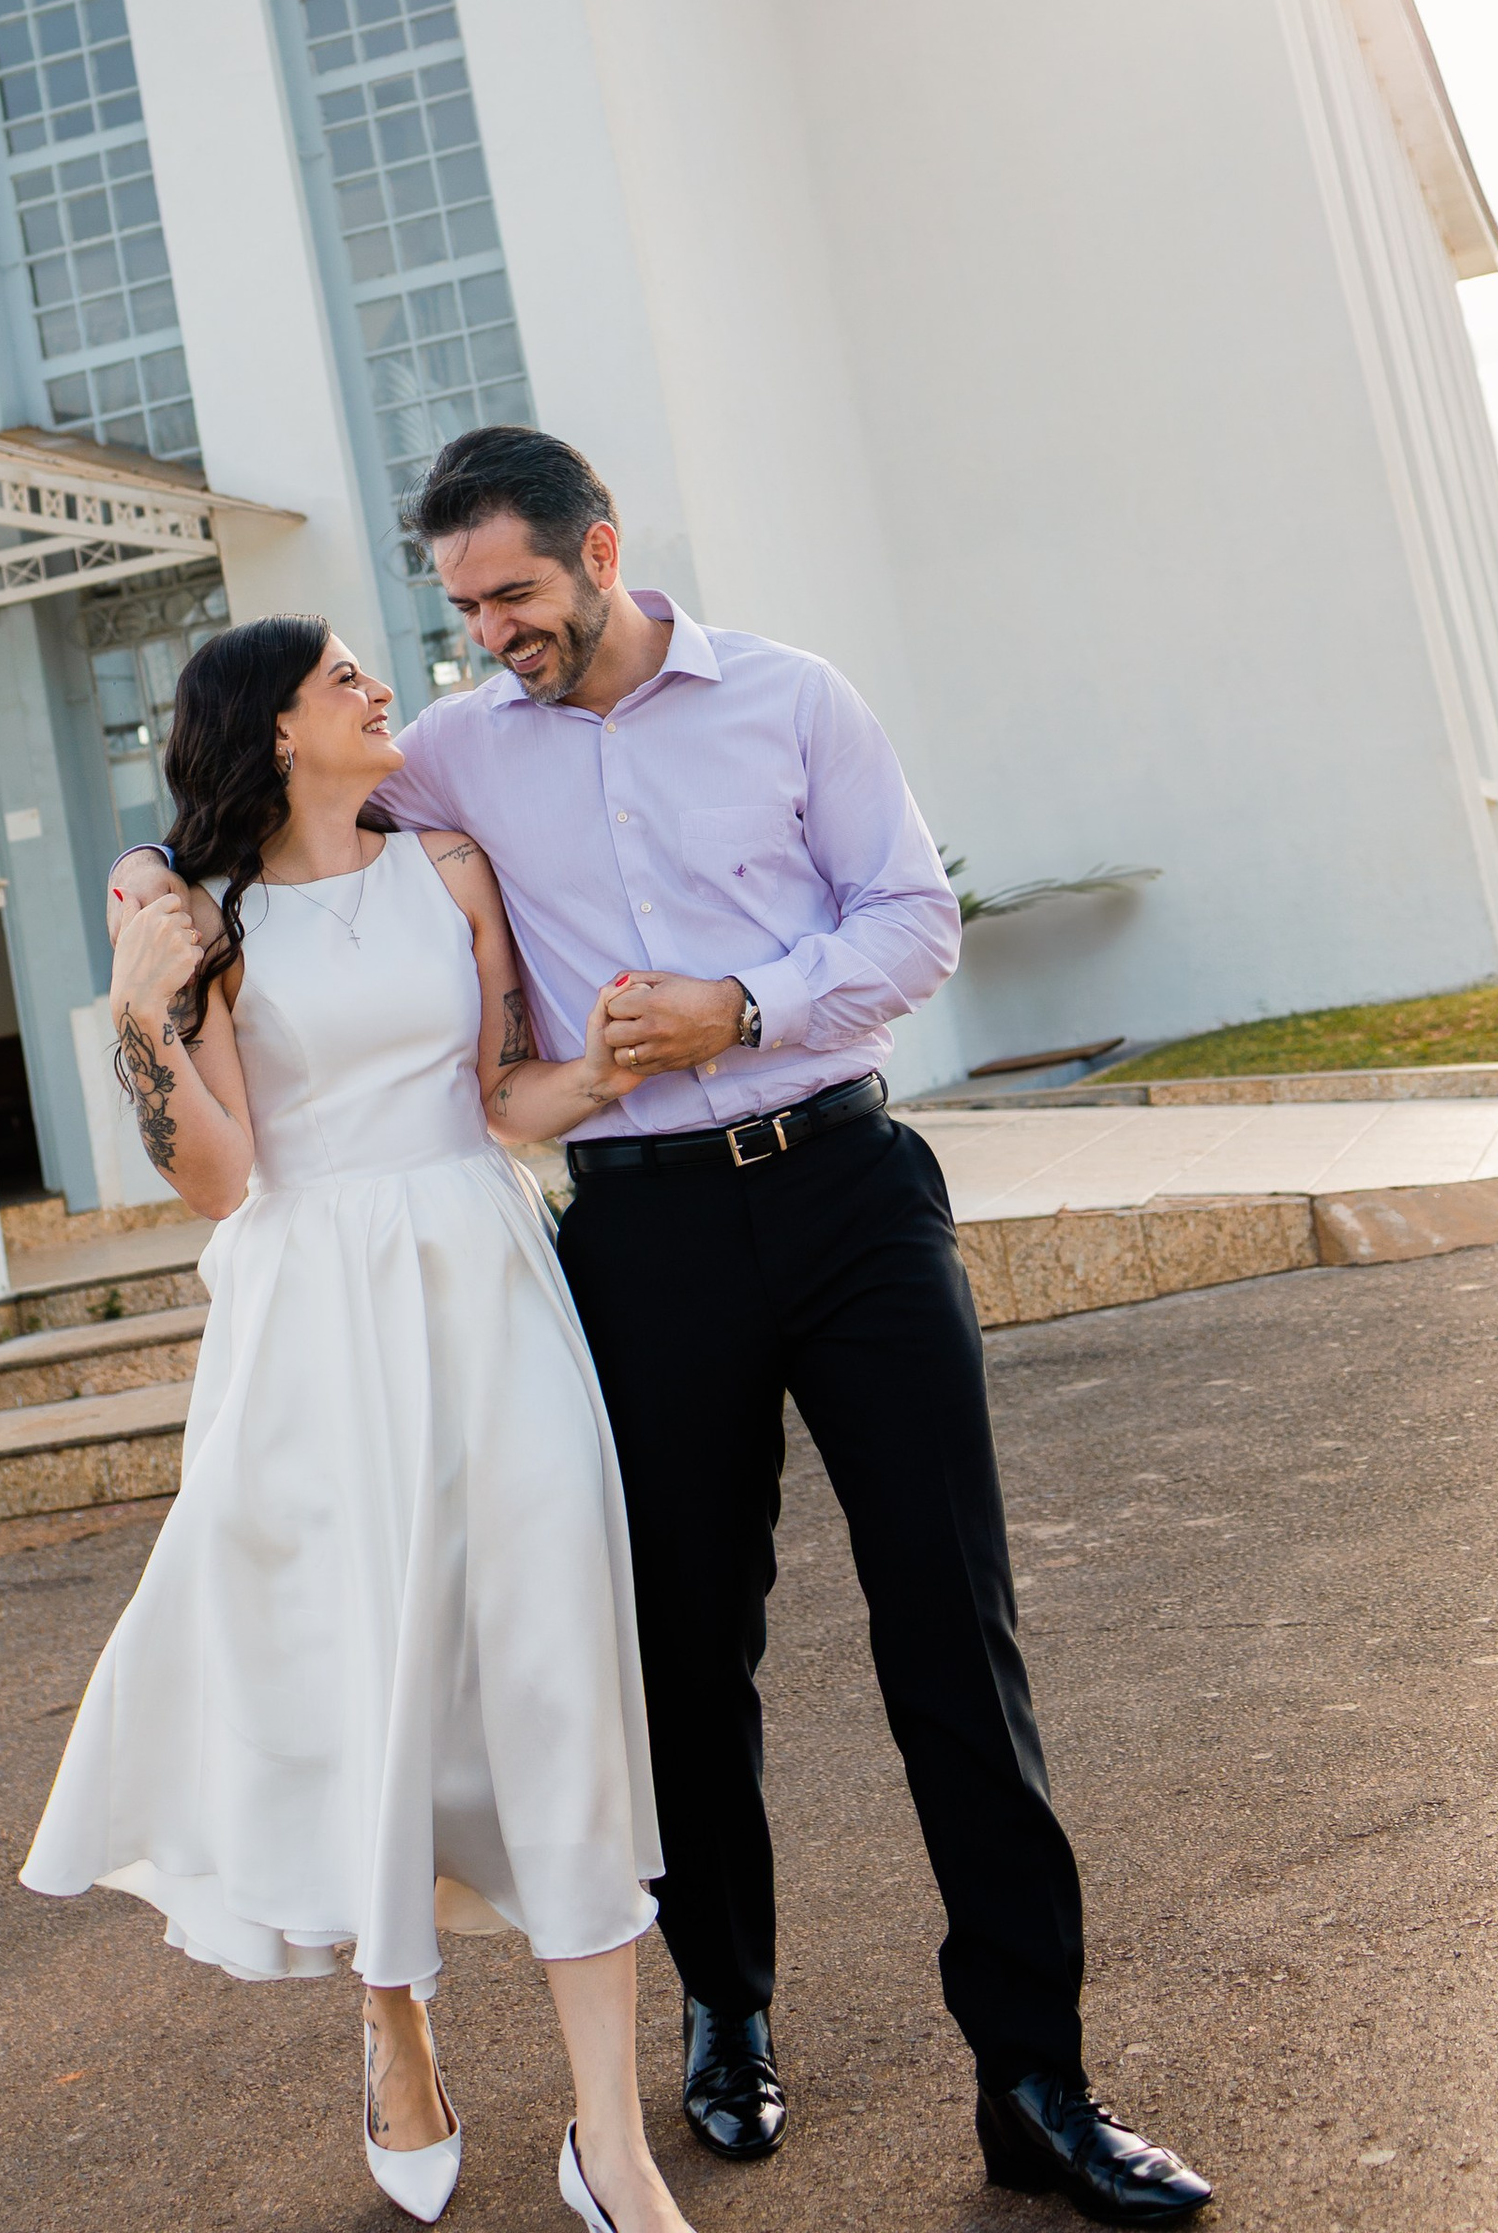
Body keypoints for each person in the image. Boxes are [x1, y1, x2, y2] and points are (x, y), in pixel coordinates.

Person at [111, 429, 1211, 2230]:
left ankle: (1039, 2083)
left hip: (850, 1187)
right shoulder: (451, 752)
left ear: (600, 551)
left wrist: (745, 1005)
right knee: (684, 1655)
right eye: (460, 608)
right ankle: (728, 2008)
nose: (485, 638)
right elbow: (245, 825)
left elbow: (913, 917)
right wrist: (146, 902)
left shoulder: (790, 697)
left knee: (954, 1632)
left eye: (514, 597)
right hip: (644, 1235)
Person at [25, 610, 703, 2233]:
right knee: (353, 1672)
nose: (380, 688)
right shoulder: (200, 914)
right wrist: (140, 1014)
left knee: (553, 1663)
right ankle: (393, 2024)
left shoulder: (450, 873)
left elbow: (492, 1097)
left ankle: (608, 2142)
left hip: (482, 1278)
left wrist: (605, 1071)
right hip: (310, 1317)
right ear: (272, 727)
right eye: (345, 678)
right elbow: (218, 1174)